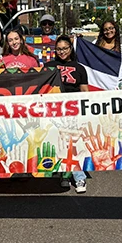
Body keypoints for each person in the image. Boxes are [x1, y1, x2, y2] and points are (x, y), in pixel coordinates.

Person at [44, 35, 89, 193]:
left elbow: (85, 92)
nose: (62, 52)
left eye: (65, 48)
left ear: (71, 49)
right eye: (59, 49)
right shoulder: (48, 66)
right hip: (53, 111)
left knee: (72, 144)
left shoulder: (80, 68)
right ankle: (64, 175)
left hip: (73, 110)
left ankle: (78, 177)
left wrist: (86, 110)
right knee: (57, 143)